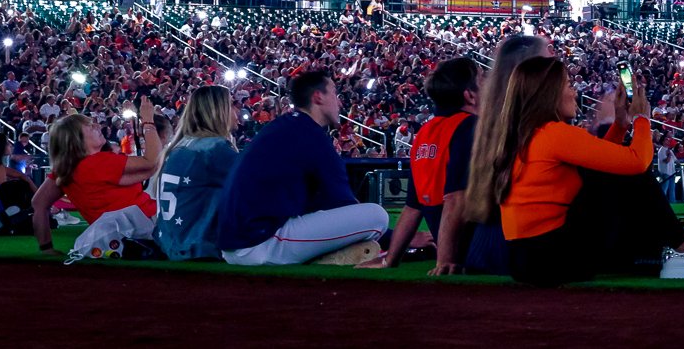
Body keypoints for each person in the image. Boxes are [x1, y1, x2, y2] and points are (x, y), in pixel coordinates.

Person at [476, 56, 684, 285]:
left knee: (613, 176)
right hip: (550, 257)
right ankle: (682, 249)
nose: (575, 91)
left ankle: (676, 247)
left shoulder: (529, 136)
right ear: (549, 93)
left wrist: (621, 124)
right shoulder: (553, 134)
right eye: (568, 85)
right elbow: (637, 163)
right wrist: (641, 118)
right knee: (632, 175)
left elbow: (599, 162)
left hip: (529, 259)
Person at [216, 70, 388, 266]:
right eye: (334, 94)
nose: (339, 103)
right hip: (260, 243)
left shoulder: (283, 126)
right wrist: (400, 238)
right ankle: (327, 256)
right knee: (377, 216)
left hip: (238, 242)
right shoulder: (310, 134)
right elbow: (342, 201)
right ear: (318, 97)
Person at [369, 56, 479, 271]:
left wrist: (390, 259)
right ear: (470, 95)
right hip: (477, 248)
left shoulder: (424, 133)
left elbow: (412, 207)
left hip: (456, 247)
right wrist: (445, 261)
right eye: (483, 79)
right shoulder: (470, 127)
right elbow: (455, 198)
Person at [459, 31, 549, 277]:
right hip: (521, 246)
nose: (557, 63)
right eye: (549, 55)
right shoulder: (535, 126)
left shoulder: (489, 122)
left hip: (485, 244)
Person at [32, 98, 163, 260]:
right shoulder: (98, 162)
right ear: (77, 139)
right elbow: (153, 161)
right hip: (147, 225)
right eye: (90, 126)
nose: (98, 126)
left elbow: (38, 204)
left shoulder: (66, 170)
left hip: (121, 233)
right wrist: (148, 122)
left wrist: (46, 248)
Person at [154, 85, 240, 261]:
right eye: (231, 104)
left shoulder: (180, 146)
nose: (236, 110)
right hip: (197, 247)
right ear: (218, 110)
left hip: (170, 243)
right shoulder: (213, 148)